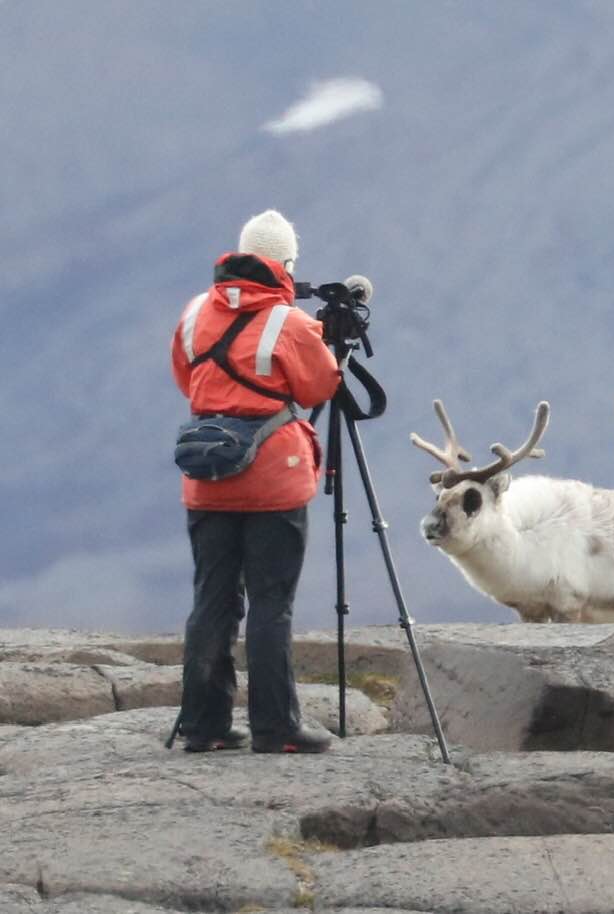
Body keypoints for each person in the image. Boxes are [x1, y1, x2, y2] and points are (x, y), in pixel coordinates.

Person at [170, 210, 341, 753]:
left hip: (209, 475)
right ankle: (277, 727)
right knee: (271, 603)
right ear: (287, 264)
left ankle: (204, 725)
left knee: (212, 599)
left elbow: (187, 378)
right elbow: (318, 387)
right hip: (274, 481)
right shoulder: (289, 323)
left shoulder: (196, 312)